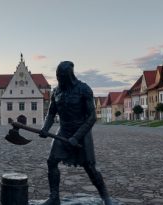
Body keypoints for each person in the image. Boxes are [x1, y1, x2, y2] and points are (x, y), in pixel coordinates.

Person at [39, 61, 112, 205]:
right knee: (51, 161)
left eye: (61, 76)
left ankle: (106, 197)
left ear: (69, 76)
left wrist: (76, 137)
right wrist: (45, 128)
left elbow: (92, 117)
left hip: (82, 134)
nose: (59, 79)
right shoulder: (56, 92)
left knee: (90, 168)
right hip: (63, 131)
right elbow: (51, 113)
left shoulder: (84, 90)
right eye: (57, 76)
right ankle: (54, 198)